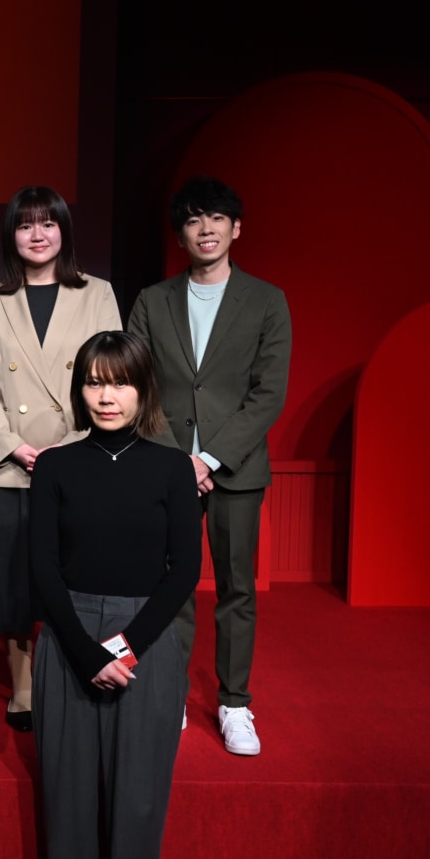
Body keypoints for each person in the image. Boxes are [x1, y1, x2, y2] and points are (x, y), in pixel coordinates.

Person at [127, 174, 291, 757]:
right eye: (193, 220)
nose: (206, 229)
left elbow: (268, 394)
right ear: (181, 235)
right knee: (170, 584)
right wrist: (179, 461)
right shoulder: (152, 301)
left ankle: (235, 703)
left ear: (235, 228)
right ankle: (169, 692)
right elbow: (137, 384)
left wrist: (211, 457)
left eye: (216, 218)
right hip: (166, 466)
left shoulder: (266, 300)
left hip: (236, 471)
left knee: (236, 588)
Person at [30, 331, 201, 859]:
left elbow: (186, 572)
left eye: (121, 383)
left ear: (144, 389)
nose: (107, 397)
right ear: (79, 391)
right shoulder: (55, 466)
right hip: (67, 637)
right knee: (67, 807)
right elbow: (41, 568)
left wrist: (123, 650)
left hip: (147, 639)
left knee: (139, 806)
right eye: (94, 383)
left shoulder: (173, 467)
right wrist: (87, 655)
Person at [0, 186, 121, 732]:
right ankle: (24, 684)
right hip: (10, 463)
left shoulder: (97, 293)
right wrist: (12, 444)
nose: (38, 234)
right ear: (12, 235)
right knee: (15, 582)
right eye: (26, 224)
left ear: (64, 230)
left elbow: (112, 372)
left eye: (48, 223)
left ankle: (77, 663)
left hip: (79, 456)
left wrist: (73, 442)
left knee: (75, 570)